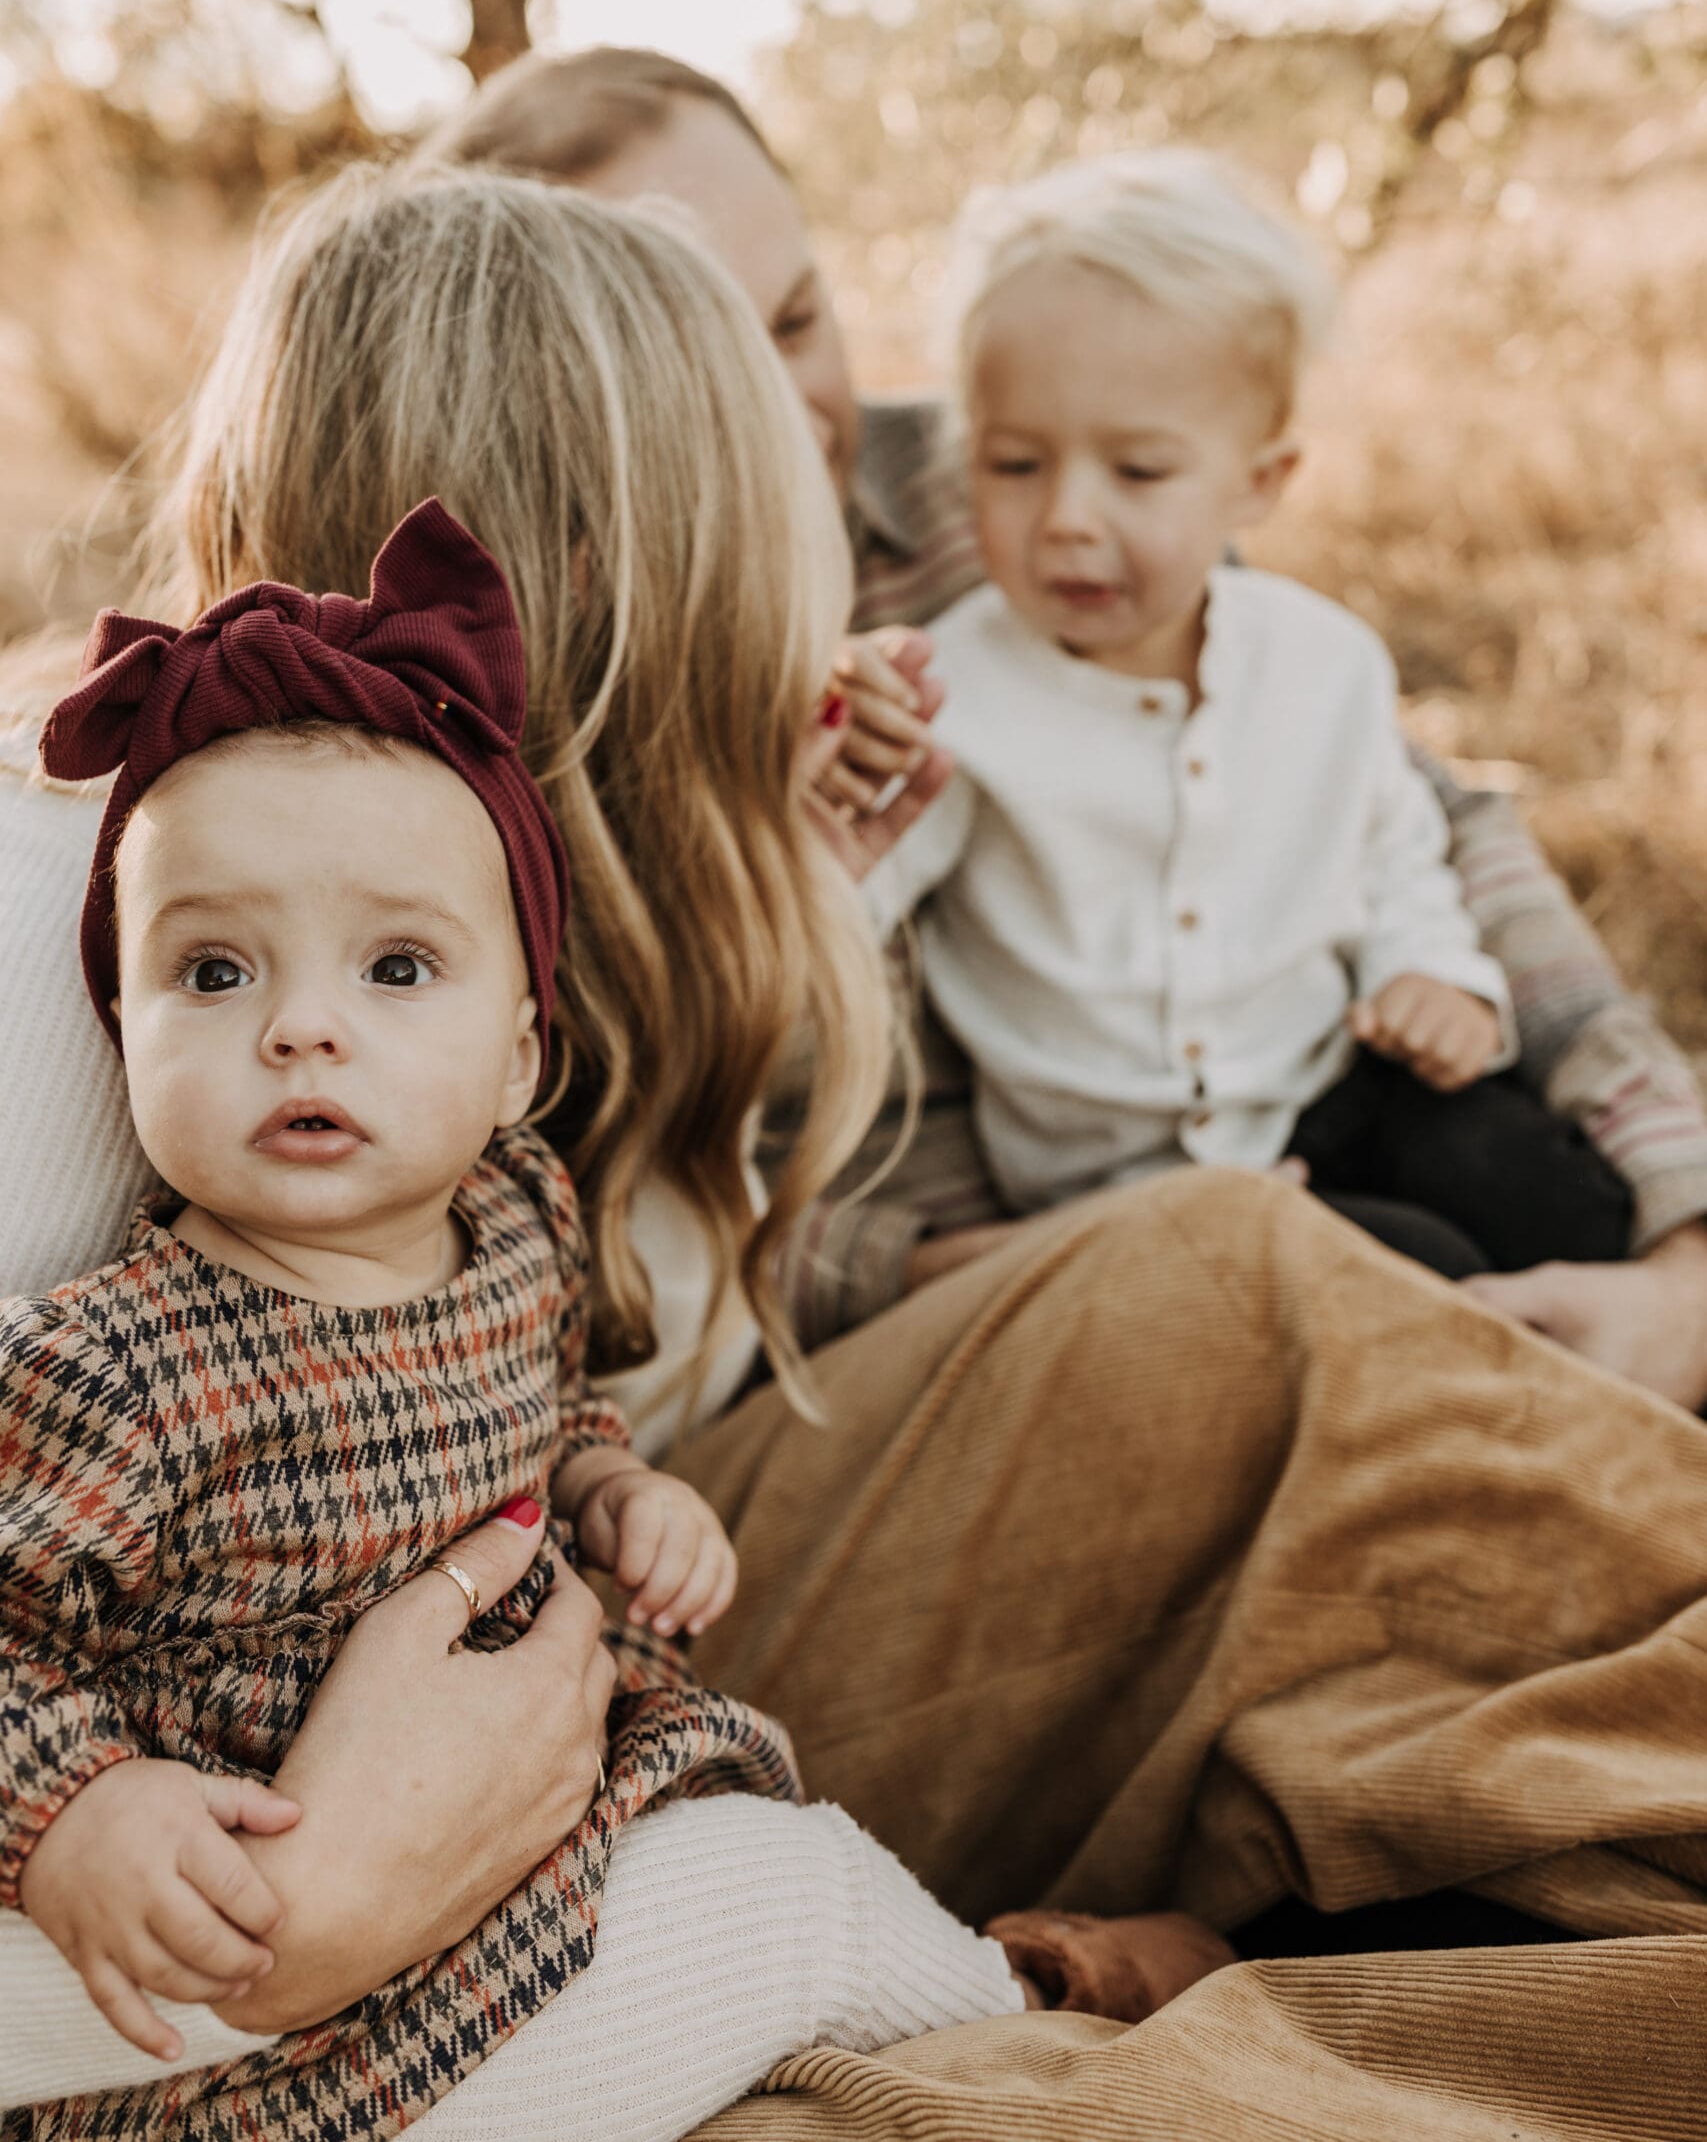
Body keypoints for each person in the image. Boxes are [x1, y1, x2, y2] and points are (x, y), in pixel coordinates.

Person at [10, 161, 1707, 2142]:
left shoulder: (506, 919)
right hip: (332, 1973)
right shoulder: (94, 943)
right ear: (637, 579)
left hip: (605, 1683)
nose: (852, 477)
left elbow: (545, 1346)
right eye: (785, 477)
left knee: (1233, 1275)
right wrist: (316, 1904)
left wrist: (785, 938)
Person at [423, 45, 1707, 1398]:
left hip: (1286, 1136)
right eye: (711, 360)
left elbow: (1412, 824)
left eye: (799, 321)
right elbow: (593, 1209)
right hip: (932, 1354)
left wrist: (1685, 1252)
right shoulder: (499, 726)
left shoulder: (1016, 483)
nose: (792, 412)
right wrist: (984, 1267)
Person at [852, 147, 1632, 1281]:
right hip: (1126, 1189)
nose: (1068, 517)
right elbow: (839, 910)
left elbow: (1399, 853)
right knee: (1417, 1270)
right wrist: (818, 778)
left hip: (1335, 1084)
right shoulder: (949, 695)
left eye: (1138, 472)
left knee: (1547, 1193)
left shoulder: (1323, 665)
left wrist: (1435, 975)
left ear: (1258, 482)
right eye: (1015, 464)